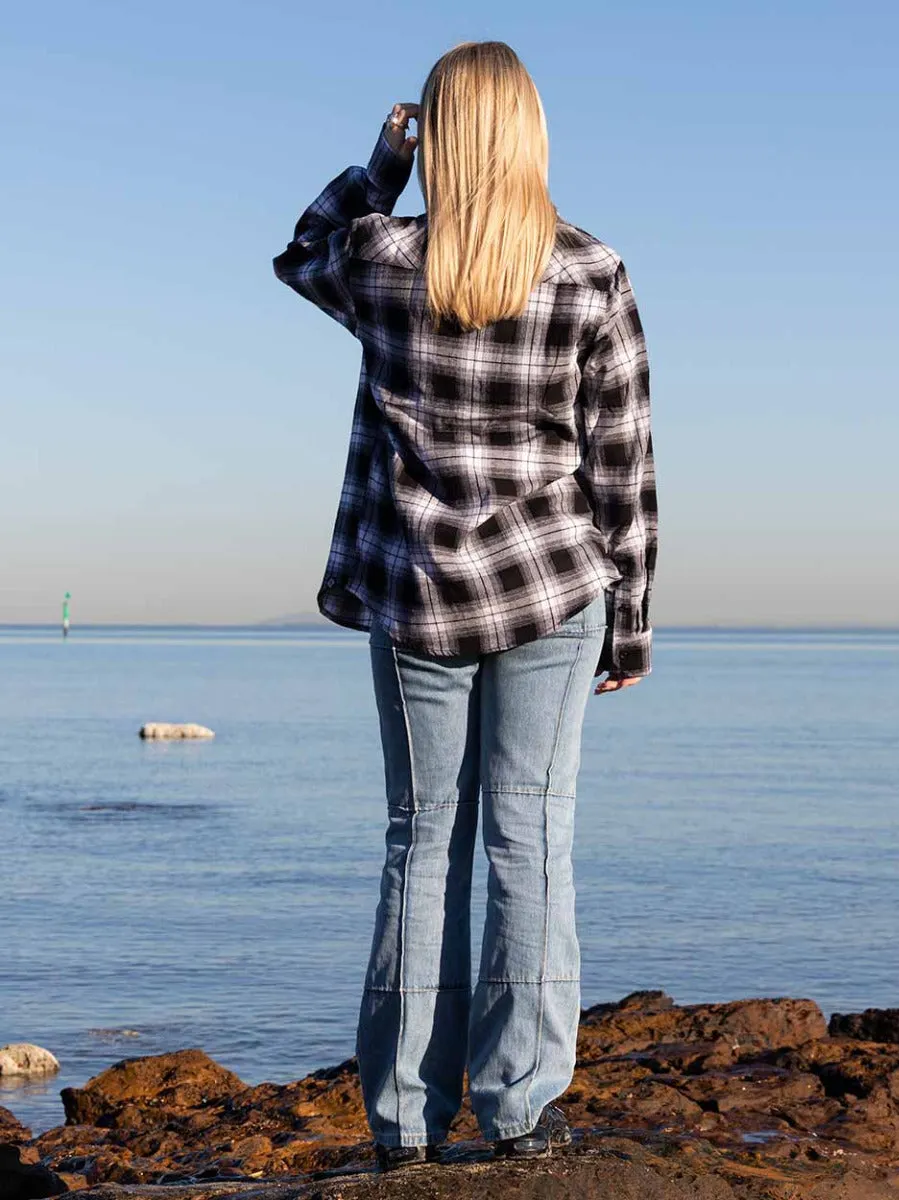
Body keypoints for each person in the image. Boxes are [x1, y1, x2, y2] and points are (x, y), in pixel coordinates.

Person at [272, 40, 659, 1172]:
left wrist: (379, 163)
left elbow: (300, 251)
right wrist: (630, 615)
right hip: (551, 590)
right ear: (532, 134)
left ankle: (401, 1121)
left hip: (417, 600)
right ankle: (520, 1111)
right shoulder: (592, 271)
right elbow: (623, 467)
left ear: (436, 133)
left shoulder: (384, 259)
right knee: (530, 840)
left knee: (419, 844)